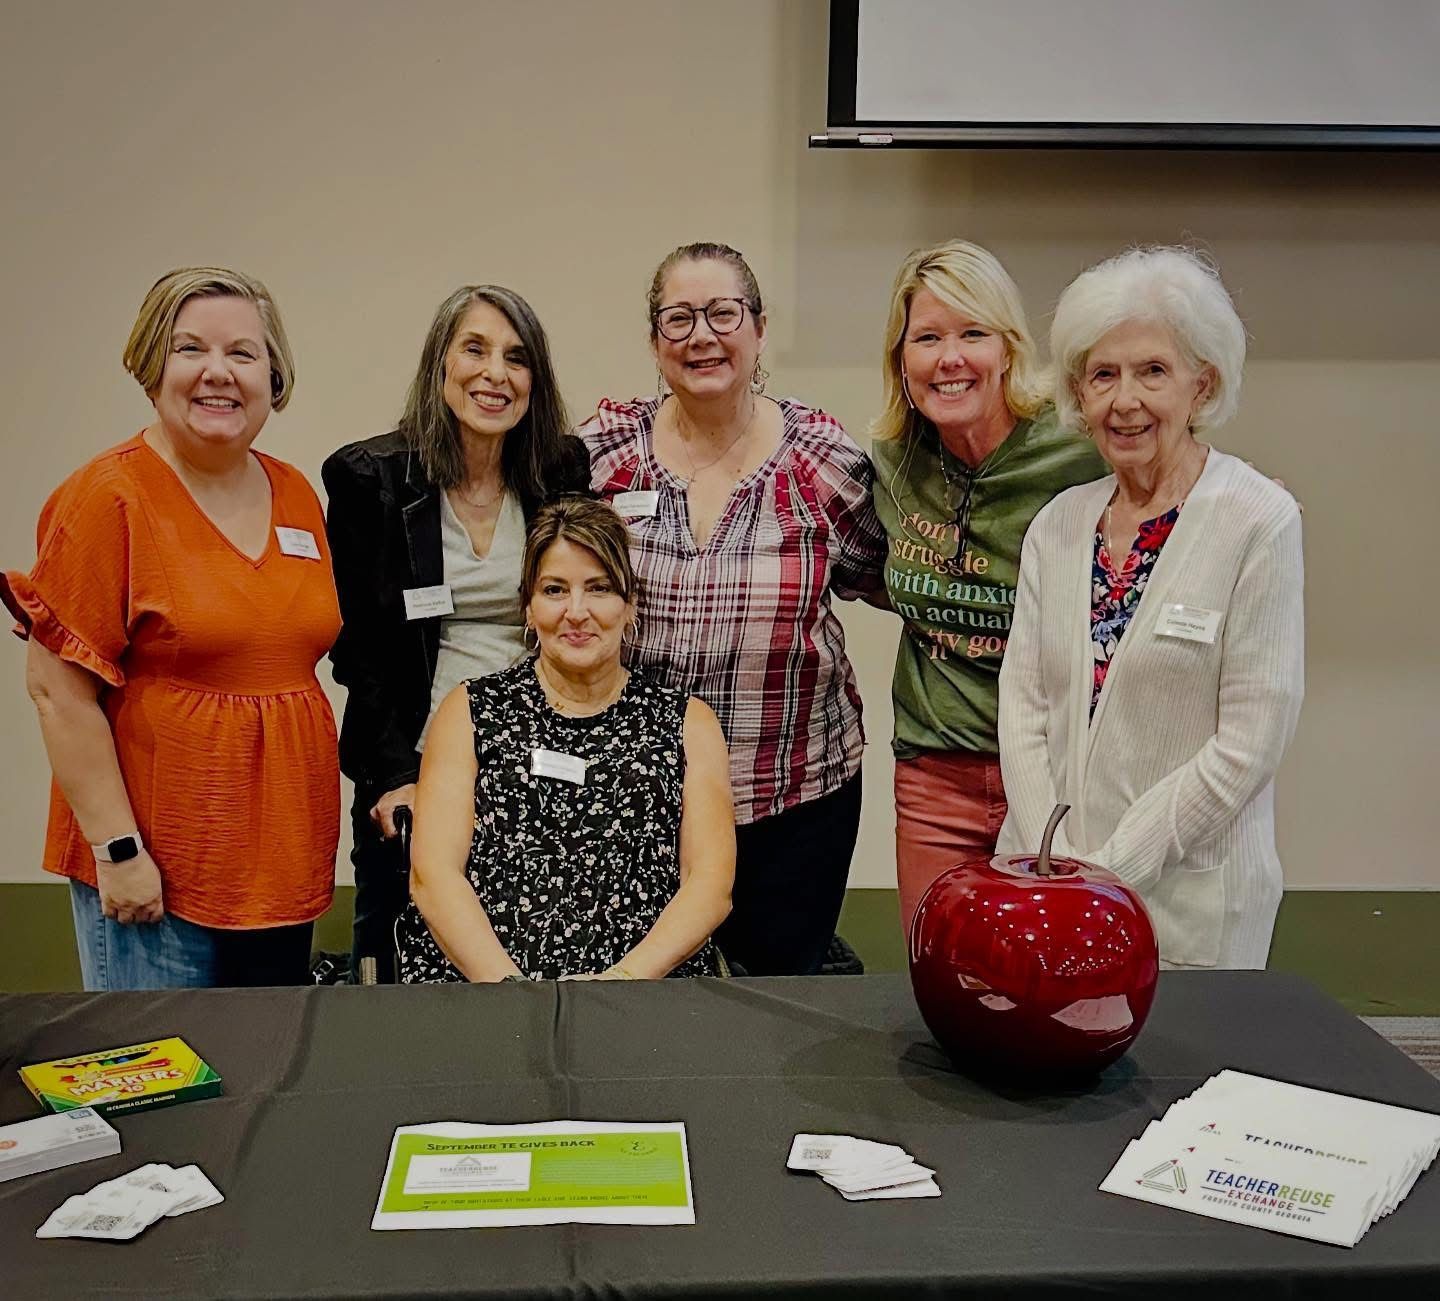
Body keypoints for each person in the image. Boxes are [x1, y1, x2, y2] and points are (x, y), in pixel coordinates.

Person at [1, 267, 340, 989]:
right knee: (161, 1088)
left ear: (272, 376)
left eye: (243, 354)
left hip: (279, 871)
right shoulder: (108, 496)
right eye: (191, 349)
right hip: (155, 877)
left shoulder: (295, 493)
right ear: (152, 365)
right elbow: (58, 693)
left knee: (265, 1083)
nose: (218, 373)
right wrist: (118, 849)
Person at [579, 242, 887, 976]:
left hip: (792, 791)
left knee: (778, 1003)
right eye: (678, 318)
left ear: (758, 329)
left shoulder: (823, 459)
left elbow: (882, 574)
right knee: (639, 1006)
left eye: (723, 313)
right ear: (655, 340)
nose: (702, 335)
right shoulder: (601, 455)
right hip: (638, 794)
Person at [997, 246, 1304, 969]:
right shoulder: (1059, 524)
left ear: (1203, 385)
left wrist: (1114, 871)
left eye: (1153, 372)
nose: (1124, 399)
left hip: (1190, 912)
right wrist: (1058, 861)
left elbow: (1250, 740)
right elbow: (1024, 703)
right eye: (1103, 374)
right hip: (1049, 894)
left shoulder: (1259, 519)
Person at [323, 285, 590, 981]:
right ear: (440, 364)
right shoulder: (371, 479)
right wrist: (390, 775)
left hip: (535, 755)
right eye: (475, 349)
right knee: (395, 955)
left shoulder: (559, 471)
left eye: (517, 357)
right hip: (415, 762)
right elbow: (362, 651)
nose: (495, 374)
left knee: (527, 951)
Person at [869, 240, 1108, 936]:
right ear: (901, 357)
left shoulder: (1077, 451)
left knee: (1046, 981)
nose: (951, 357)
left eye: (973, 333)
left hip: (1055, 770)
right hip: (935, 773)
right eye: (928, 337)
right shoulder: (892, 460)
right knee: (941, 974)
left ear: (1008, 348)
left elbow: (1177, 480)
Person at [397, 496, 734, 981]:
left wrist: (616, 986)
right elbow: (433, 877)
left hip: (642, 993)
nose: (577, 612)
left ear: (630, 604)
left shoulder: (688, 725)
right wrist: (513, 993)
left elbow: (710, 887)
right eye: (555, 590)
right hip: (486, 990)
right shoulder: (470, 712)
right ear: (529, 609)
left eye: (598, 589)